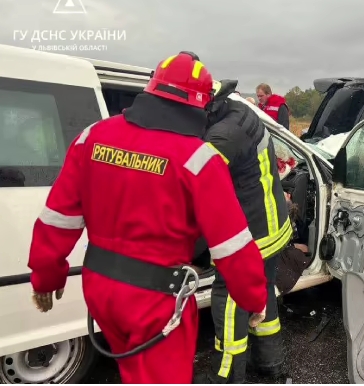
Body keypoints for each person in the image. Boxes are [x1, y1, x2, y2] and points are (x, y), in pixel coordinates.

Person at [27, 51, 268, 384]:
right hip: (154, 300)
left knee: (134, 372)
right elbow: (231, 246)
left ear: (152, 89)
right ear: (201, 104)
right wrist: (253, 297)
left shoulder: (92, 136)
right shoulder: (199, 160)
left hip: (100, 288)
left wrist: (45, 276)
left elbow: (58, 218)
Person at [199, 79, 293, 383]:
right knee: (263, 292)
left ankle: (226, 376)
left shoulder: (222, 137)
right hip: (272, 226)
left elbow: (195, 184)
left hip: (250, 235)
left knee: (229, 300)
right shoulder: (240, 111)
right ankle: (270, 364)